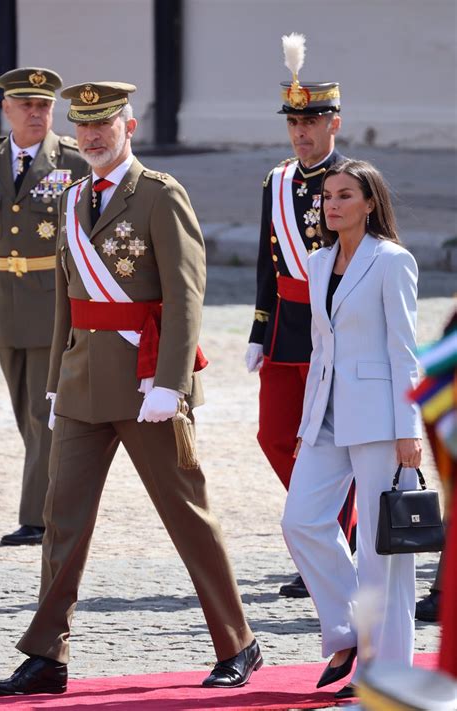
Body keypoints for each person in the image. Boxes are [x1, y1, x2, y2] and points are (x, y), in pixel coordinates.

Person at [0, 81, 261, 697]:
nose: (92, 136)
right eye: (84, 127)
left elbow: (187, 294)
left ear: (129, 127)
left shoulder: (161, 196)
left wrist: (172, 384)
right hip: (83, 384)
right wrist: (56, 379)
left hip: (146, 387)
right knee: (62, 520)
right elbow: (66, 299)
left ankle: (237, 641)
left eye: (105, 126)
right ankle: (47, 654)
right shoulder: (73, 195)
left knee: (186, 514)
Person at [281, 159, 422, 700]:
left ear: (370, 203)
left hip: (382, 417)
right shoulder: (318, 263)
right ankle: (346, 630)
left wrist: (408, 428)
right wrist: (307, 417)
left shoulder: (393, 261)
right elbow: (322, 348)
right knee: (302, 521)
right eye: (327, 196)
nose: (332, 204)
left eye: (344, 195)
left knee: (382, 550)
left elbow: (404, 351)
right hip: (327, 415)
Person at [245, 33, 356, 598]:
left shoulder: (353, 181)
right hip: (288, 321)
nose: (300, 133)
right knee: (275, 434)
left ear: (334, 123)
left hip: (333, 325)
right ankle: (326, 529)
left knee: (331, 439)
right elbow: (269, 259)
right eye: (293, 123)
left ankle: (331, 538)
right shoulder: (277, 179)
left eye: (311, 122)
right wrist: (258, 330)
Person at [0, 67, 88, 546]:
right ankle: (56, 501)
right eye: (25, 104)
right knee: (25, 413)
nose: (36, 113)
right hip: (4, 304)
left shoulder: (72, 161)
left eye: (44, 105)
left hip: (53, 304)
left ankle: (38, 517)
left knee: (44, 414)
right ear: (5, 108)